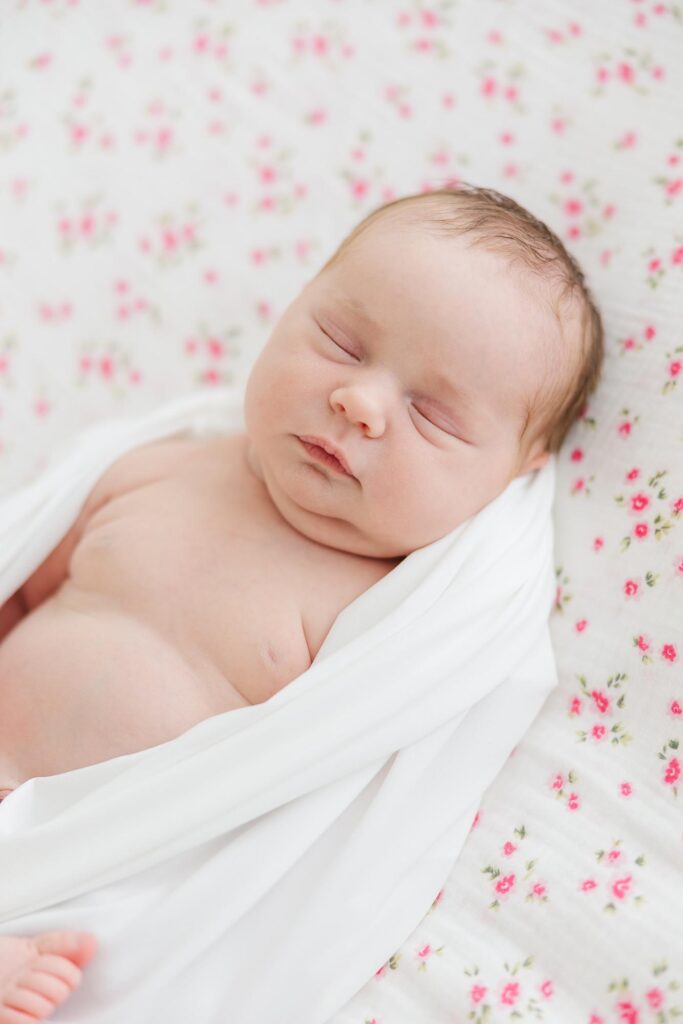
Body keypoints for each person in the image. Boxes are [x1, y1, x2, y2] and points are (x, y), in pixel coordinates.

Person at [0, 183, 603, 1020]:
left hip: (98, 857)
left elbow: (299, 824)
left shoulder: (394, 626)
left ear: (513, 469)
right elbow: (21, 583)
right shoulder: (162, 466)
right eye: (340, 342)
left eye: (430, 415)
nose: (357, 401)